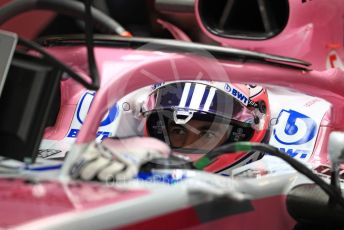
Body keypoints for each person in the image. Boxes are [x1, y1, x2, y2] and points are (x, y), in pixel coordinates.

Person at [71, 81, 270, 181]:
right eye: (178, 130)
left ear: (240, 134)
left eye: (207, 134)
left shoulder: (272, 183)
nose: (187, 145)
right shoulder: (128, 166)